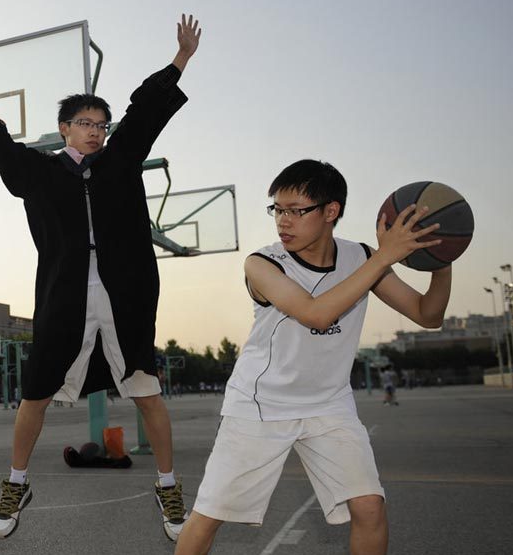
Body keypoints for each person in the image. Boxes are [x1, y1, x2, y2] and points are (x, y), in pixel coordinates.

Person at [0, 14, 201, 541]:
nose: (96, 131)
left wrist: (180, 59)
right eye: (86, 123)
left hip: (125, 295)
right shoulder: (42, 172)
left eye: (101, 124)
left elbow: (145, 114)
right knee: (35, 395)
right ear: (66, 128)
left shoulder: (121, 161)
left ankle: (167, 486)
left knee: (146, 392)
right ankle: (16, 481)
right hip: (63, 294)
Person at [175, 159, 452, 555]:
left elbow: (429, 315)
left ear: (330, 212)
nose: (283, 221)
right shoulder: (263, 264)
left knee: (370, 507)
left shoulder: (361, 257)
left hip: (328, 404)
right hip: (260, 405)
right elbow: (317, 313)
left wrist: (442, 261)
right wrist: (383, 258)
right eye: (278, 210)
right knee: (209, 515)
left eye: (296, 211)